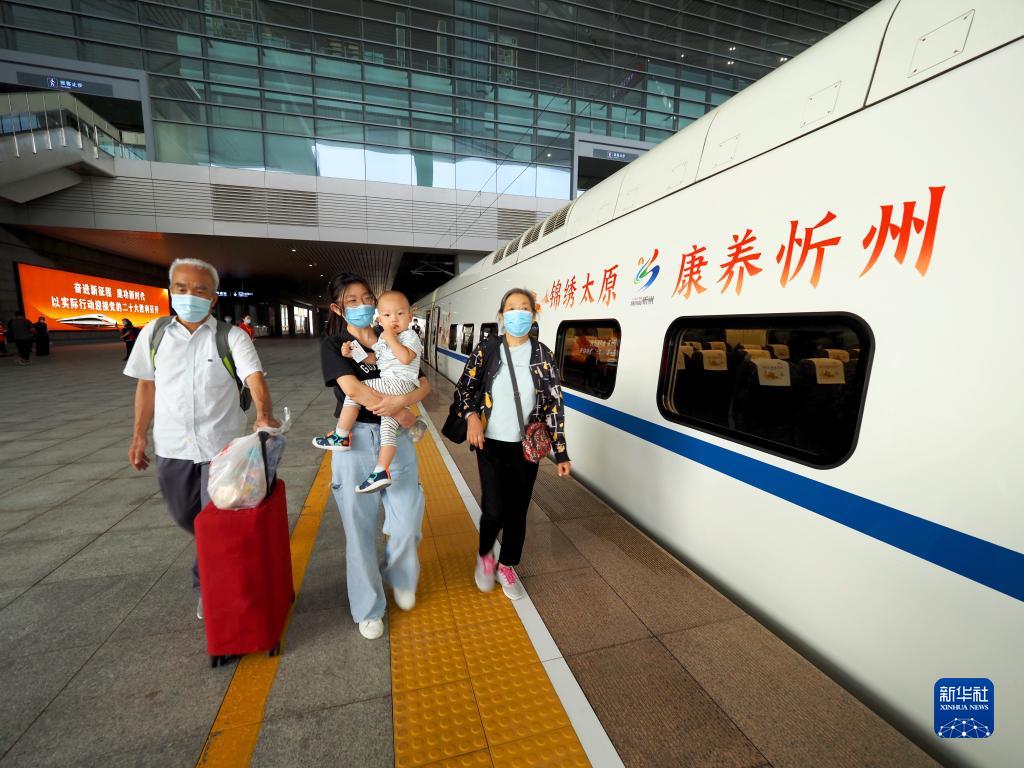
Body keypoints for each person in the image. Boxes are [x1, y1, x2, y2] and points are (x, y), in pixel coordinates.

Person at [124, 258, 280, 620]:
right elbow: (146, 386)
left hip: (222, 450)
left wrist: (263, 413)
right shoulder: (154, 334)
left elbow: (254, 378)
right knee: (187, 517)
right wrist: (138, 436)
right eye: (182, 288)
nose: (190, 296)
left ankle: (209, 589)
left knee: (218, 524)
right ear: (171, 291)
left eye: (200, 290)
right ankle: (213, 563)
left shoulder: (231, 336)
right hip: (172, 447)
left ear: (212, 299)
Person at [320, 273, 430, 640]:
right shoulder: (336, 343)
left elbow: (423, 382)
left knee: (407, 522)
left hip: (393, 440)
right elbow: (353, 389)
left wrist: (404, 404)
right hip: (354, 444)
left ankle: (399, 575)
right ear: (338, 308)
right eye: (352, 300)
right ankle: (368, 608)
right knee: (359, 531)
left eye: (367, 298)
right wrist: (405, 413)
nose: (363, 305)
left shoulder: (393, 335)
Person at [452, 288, 571, 601]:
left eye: (525, 308)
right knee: (493, 509)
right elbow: (464, 389)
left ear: (533, 315)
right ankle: (485, 556)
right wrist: (471, 417)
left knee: (518, 511)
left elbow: (554, 405)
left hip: (526, 447)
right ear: (502, 316)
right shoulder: (487, 349)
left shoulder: (543, 355)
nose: (518, 313)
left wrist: (561, 452)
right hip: (490, 443)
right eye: (512, 308)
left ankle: (507, 565)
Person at [314, 290, 426, 493]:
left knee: (356, 393)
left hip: (398, 383)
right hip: (392, 387)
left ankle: (341, 435)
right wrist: (352, 355)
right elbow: (377, 360)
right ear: (380, 318)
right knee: (388, 432)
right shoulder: (339, 342)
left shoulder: (409, 336)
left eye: (400, 314)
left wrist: (390, 338)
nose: (394, 319)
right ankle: (381, 471)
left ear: (410, 317)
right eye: (388, 315)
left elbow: (405, 358)